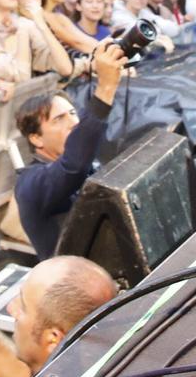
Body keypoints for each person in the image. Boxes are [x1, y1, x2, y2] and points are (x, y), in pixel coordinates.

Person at [12, 42, 126, 258]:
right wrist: (106, 87)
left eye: (73, 113)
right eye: (59, 119)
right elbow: (73, 166)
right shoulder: (30, 184)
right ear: (36, 138)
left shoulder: (91, 166)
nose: (73, 122)